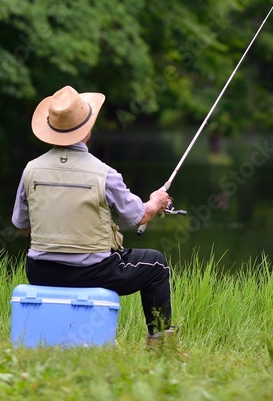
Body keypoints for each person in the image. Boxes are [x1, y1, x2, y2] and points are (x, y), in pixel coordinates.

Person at [12, 85, 176, 344]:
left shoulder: (30, 170)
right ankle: (161, 345)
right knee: (155, 265)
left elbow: (23, 226)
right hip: (94, 272)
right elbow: (138, 217)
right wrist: (156, 201)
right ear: (86, 130)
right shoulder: (104, 173)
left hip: (40, 271)